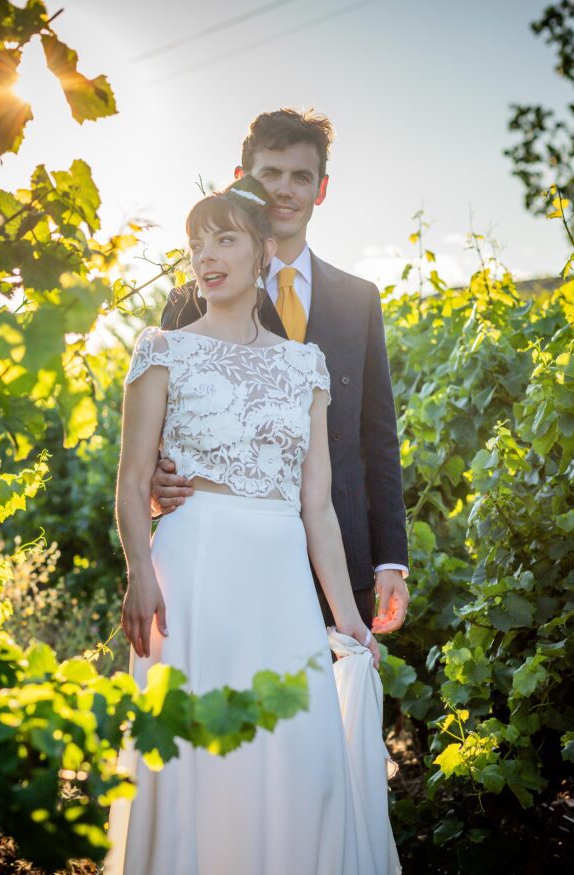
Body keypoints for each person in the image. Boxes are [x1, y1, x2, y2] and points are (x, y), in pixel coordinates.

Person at [96, 175, 401, 875]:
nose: (208, 254)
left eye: (226, 238)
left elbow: (317, 510)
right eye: (198, 241)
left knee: (291, 765)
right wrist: (139, 571)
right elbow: (129, 483)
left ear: (263, 252)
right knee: (190, 764)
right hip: (189, 578)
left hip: (275, 584)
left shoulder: (305, 367)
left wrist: (343, 616)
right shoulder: (160, 349)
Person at [153, 108, 410, 635]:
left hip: (342, 564)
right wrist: (158, 482)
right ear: (241, 180)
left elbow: (378, 438)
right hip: (222, 560)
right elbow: (157, 437)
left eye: (301, 177)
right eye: (271, 173)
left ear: (322, 190)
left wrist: (390, 560)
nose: (285, 191)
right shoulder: (187, 303)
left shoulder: (360, 300)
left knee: (326, 712)